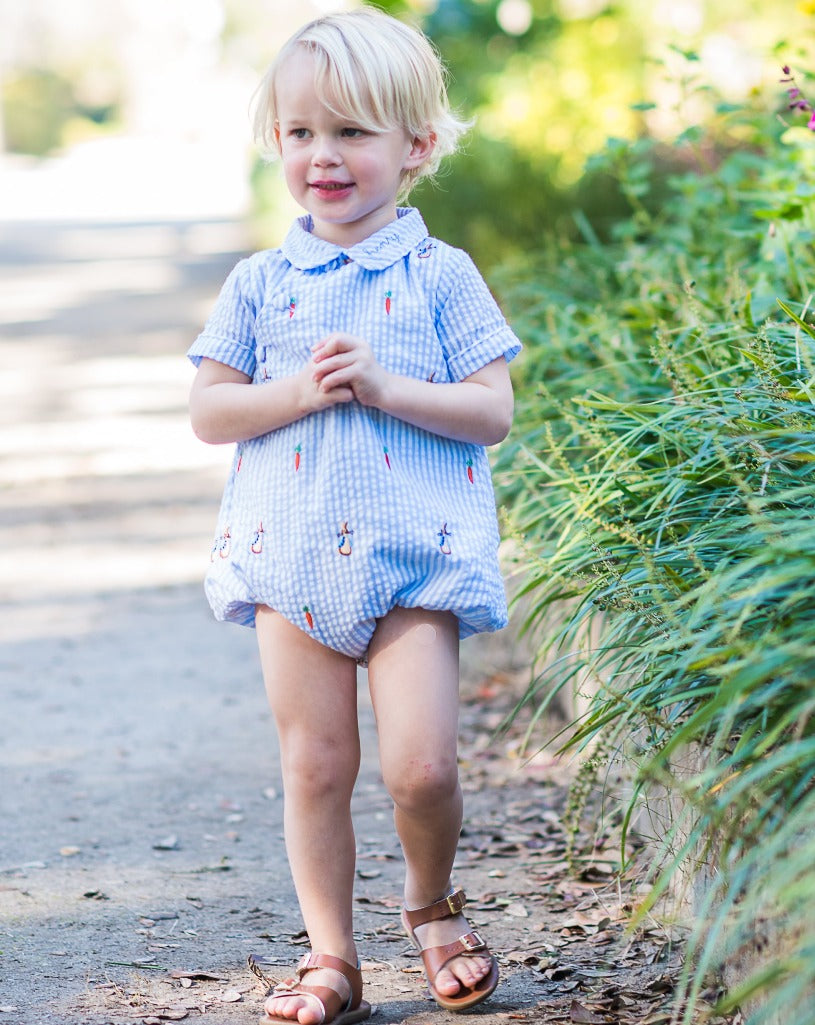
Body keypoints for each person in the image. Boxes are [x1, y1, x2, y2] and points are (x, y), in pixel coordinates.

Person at [187, 7, 521, 1023]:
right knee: (315, 761)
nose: (321, 156)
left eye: (350, 132)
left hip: (413, 556)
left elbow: (490, 408)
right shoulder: (257, 283)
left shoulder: (439, 275)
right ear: (276, 144)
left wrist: (384, 385)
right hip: (288, 556)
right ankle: (330, 953)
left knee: (421, 765)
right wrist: (295, 391)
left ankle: (429, 901)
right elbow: (209, 410)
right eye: (300, 134)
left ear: (414, 146)